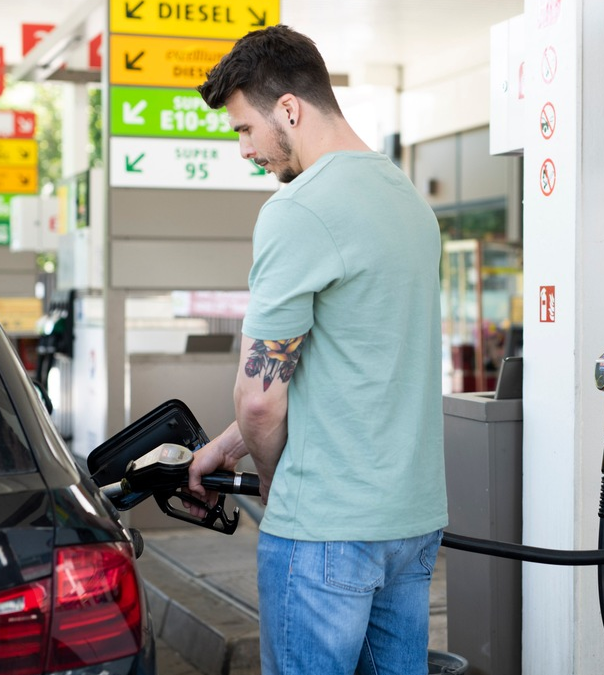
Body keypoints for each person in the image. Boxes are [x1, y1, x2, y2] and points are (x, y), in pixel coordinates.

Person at [183, 25, 448, 675]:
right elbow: (349, 365)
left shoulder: (299, 208)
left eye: (245, 129)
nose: (246, 150)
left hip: (325, 528)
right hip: (410, 522)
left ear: (290, 110)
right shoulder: (406, 199)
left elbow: (261, 397)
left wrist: (274, 479)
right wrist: (227, 446)